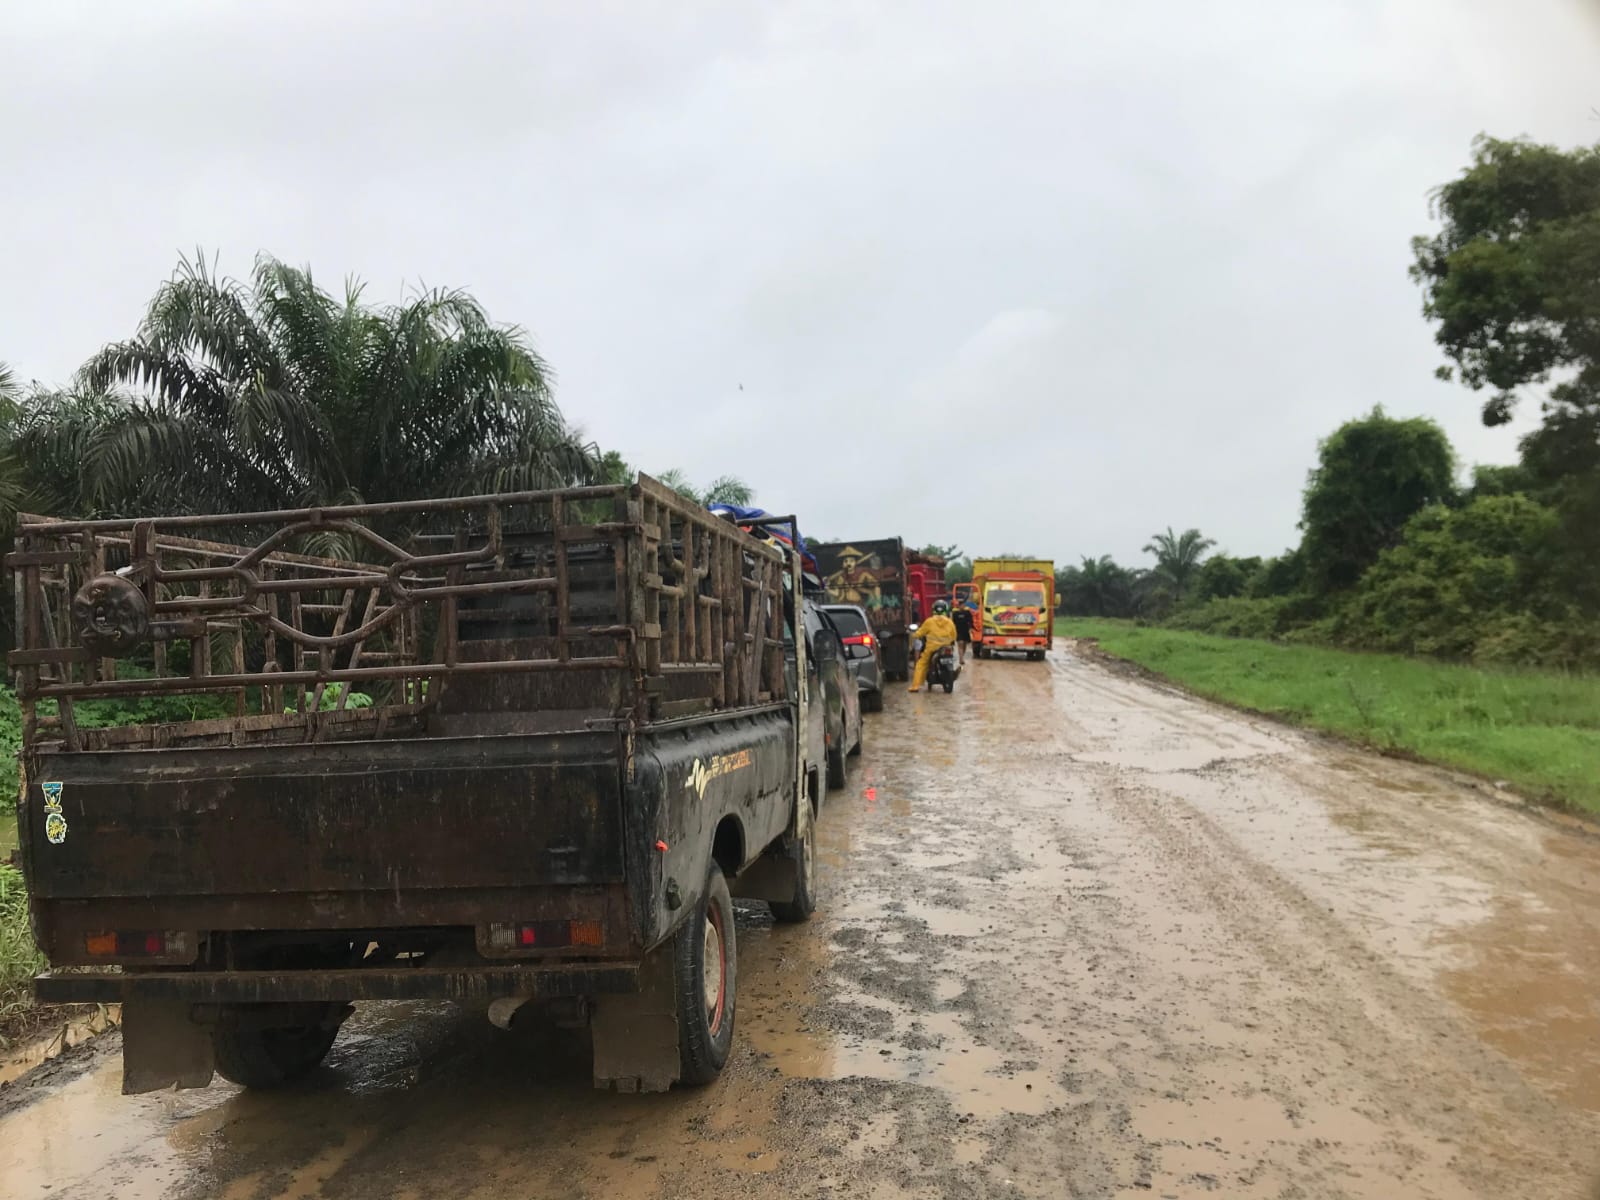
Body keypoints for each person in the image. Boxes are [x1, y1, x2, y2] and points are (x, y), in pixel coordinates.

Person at [908, 600, 957, 692]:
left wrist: (914, 634)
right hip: (946, 647)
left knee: (921, 664)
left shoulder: (929, 621)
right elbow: (954, 635)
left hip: (932, 648)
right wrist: (951, 642)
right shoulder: (950, 622)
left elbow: (920, 633)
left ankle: (915, 686)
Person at [951, 597, 974, 665]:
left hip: (965, 631)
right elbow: (952, 622)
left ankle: (962, 656)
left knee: (964, 645)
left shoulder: (967, 612)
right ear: (958, 606)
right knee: (960, 644)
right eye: (960, 605)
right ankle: (961, 658)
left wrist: (970, 628)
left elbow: (970, 621)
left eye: (963, 604)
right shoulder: (955, 613)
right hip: (958, 631)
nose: (962, 606)